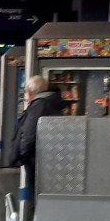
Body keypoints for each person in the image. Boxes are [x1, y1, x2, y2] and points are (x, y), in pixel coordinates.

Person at [12, 75, 66, 206]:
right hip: (49, 157)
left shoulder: (39, 105)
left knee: (35, 194)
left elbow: (29, 134)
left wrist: (21, 155)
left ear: (31, 91)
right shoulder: (52, 102)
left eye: (26, 92)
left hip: (35, 159)